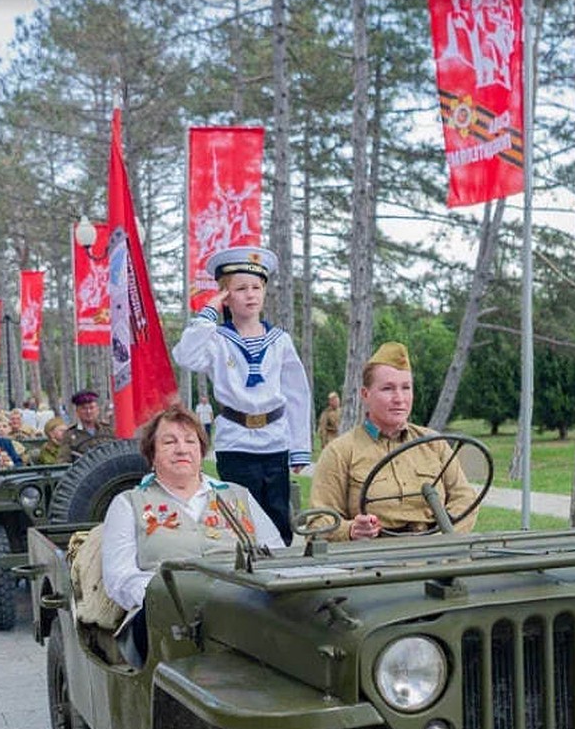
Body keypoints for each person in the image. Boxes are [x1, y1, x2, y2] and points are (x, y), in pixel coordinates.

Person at [172, 246, 311, 545]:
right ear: (226, 296)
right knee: (240, 516)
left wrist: (299, 447)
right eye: (240, 289)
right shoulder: (217, 340)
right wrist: (209, 311)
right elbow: (185, 355)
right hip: (236, 439)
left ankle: (281, 574)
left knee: (277, 514)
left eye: (256, 288)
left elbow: (297, 395)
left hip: (274, 438)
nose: (250, 295)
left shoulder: (280, 341)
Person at [102, 405, 282, 618]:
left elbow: (277, 555)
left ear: (201, 450)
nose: (182, 449)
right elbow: (120, 578)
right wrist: (171, 600)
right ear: (152, 454)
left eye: (190, 441)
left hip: (245, 608)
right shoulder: (128, 504)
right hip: (167, 615)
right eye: (169, 442)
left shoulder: (238, 496)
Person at [309, 342, 477, 541]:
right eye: (388, 389)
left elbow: (465, 499)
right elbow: (317, 524)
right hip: (376, 561)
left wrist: (443, 537)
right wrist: (351, 530)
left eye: (406, 388)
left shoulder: (433, 443)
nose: (399, 398)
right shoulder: (341, 452)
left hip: (438, 556)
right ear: (365, 394)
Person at [59, 390, 116, 461]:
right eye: (84, 408)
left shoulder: (108, 431)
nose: (88, 412)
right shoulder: (70, 435)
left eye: (91, 408)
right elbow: (63, 461)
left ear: (97, 410)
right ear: (77, 412)